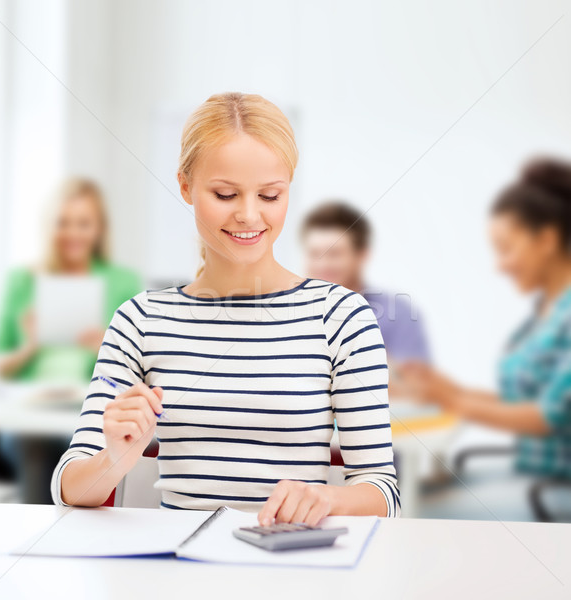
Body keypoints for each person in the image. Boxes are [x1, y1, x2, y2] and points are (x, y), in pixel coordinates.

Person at [51, 92, 400, 524]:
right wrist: (115, 458)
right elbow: (69, 486)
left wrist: (328, 500)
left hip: (293, 570)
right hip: (177, 575)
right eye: (225, 194)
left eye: (270, 196)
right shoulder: (139, 320)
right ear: (185, 186)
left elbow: (382, 490)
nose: (249, 215)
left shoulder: (342, 317)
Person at [399, 157, 571, 483]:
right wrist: (445, 389)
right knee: (416, 495)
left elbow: (546, 416)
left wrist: (453, 402)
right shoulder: (542, 316)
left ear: (547, 240)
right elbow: (519, 401)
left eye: (506, 249)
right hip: (532, 483)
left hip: (553, 495)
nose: (500, 266)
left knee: (411, 507)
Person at [0, 177, 143, 502]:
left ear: (98, 229)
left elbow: (137, 370)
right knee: (32, 446)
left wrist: (108, 346)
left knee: (84, 451)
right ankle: (40, 540)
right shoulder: (23, 281)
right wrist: (28, 348)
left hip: (92, 411)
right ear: (50, 226)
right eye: (63, 223)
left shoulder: (121, 283)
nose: (73, 233)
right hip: (29, 415)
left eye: (83, 223)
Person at [299, 201, 431, 396]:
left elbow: (418, 391)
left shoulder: (398, 313)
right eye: (314, 254)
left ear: (361, 255)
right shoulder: (290, 313)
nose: (322, 265)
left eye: (334, 254)